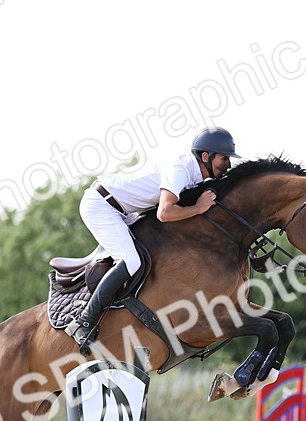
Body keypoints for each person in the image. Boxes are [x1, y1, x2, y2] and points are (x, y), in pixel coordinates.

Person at [67, 126, 240, 353]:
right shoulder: (180, 169)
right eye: (224, 158)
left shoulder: (196, 174)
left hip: (124, 210)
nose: (227, 165)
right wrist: (198, 208)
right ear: (205, 156)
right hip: (101, 206)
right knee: (131, 261)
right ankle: (84, 322)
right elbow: (165, 213)